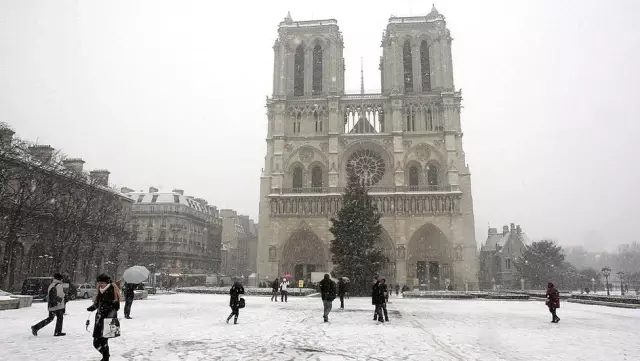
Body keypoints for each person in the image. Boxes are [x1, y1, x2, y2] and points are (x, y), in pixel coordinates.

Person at [87, 274, 121, 361]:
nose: (100, 284)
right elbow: (98, 303)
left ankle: (105, 358)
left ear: (106, 283)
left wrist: (108, 308)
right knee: (96, 342)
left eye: (102, 283)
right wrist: (93, 307)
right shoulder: (101, 291)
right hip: (99, 319)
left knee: (102, 341)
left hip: (108, 320)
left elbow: (117, 307)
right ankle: (106, 356)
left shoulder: (112, 290)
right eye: (100, 283)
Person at [31, 272, 66, 337]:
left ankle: (36, 327)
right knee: (60, 318)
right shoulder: (59, 285)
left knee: (50, 318)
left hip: (51, 305)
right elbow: (61, 295)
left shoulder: (52, 285)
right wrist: (64, 297)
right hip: (58, 306)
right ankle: (57, 332)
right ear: (60, 279)